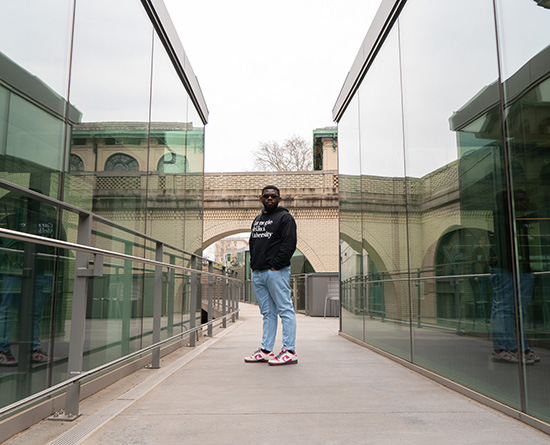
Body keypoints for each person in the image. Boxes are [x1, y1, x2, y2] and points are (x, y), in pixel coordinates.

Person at [0, 191, 59, 366]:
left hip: (40, 271)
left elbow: (59, 247)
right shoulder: (11, 219)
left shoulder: (50, 222)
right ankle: (3, 349)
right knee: (7, 310)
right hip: (14, 270)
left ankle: (33, 349)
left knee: (33, 313)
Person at [244, 186, 298, 366]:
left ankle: (289, 351)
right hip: (258, 273)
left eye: (273, 196)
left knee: (285, 310)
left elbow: (289, 244)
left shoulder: (285, 218)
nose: (269, 198)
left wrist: (276, 265)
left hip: (276, 272)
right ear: (261, 199)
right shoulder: (258, 219)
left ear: (279, 199)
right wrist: (253, 266)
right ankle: (266, 350)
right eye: (266, 196)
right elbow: (252, 243)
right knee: (268, 313)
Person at [490, 189, 540, 364]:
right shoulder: (502, 220)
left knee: (519, 310)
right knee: (504, 307)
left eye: (525, 200)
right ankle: (503, 348)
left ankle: (520, 347)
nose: (524, 203)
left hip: (522, 269)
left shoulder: (521, 221)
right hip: (506, 269)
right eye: (520, 200)